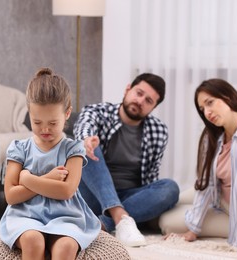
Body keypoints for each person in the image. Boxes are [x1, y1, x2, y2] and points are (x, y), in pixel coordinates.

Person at [160, 78, 237, 255]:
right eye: (203, 109)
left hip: (232, 209)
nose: (207, 112)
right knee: (168, 201)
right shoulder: (215, 135)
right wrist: (193, 230)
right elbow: (206, 183)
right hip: (216, 194)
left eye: (210, 103)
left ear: (228, 97)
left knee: (166, 221)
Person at [0, 68, 101, 260]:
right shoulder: (19, 148)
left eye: (53, 123)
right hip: (25, 216)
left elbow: (66, 191)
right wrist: (48, 179)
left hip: (66, 217)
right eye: (37, 122)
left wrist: (27, 179)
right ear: (29, 113)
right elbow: (11, 196)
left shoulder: (73, 149)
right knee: (32, 240)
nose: (45, 129)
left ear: (67, 113)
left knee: (66, 246)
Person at [73, 73, 180, 247]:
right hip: (93, 193)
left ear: (152, 108)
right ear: (128, 89)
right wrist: (86, 140)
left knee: (170, 188)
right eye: (139, 93)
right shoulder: (98, 111)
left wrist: (151, 203)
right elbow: (84, 127)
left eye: (148, 101)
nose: (140, 101)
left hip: (129, 195)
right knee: (84, 147)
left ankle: (105, 221)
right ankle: (120, 218)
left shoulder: (159, 131)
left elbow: (151, 176)